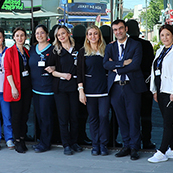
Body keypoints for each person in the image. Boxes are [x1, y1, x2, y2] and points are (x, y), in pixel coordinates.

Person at [104, 19, 145, 161]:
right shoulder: (110, 47)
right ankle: (126, 145)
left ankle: (134, 147)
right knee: (121, 118)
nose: (118, 32)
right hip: (115, 87)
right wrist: (122, 63)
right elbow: (105, 64)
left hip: (131, 86)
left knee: (133, 117)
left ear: (126, 29)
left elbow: (135, 65)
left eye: (120, 28)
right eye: (115, 30)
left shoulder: (136, 45)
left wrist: (116, 68)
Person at [147, 25, 173, 163]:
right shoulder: (160, 51)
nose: (165, 38)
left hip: (172, 93)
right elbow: (154, 71)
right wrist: (154, 90)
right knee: (169, 122)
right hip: (161, 91)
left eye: (167, 35)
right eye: (162, 35)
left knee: (167, 123)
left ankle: (162, 151)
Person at [46, 25, 81, 155]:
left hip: (75, 88)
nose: (61, 36)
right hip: (61, 88)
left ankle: (74, 142)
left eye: (63, 33)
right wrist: (63, 75)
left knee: (74, 116)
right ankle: (66, 144)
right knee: (63, 117)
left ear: (68, 34)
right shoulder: (55, 51)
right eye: (58, 35)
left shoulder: (78, 49)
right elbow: (50, 69)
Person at [77, 25, 109, 156]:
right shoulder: (83, 51)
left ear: (99, 35)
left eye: (95, 33)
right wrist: (81, 91)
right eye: (90, 34)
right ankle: (95, 145)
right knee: (93, 118)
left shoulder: (106, 50)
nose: (93, 36)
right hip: (89, 91)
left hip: (104, 90)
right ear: (87, 37)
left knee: (104, 117)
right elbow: (79, 72)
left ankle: (104, 144)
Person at [128, 19, 156, 149]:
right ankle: (146, 140)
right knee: (146, 114)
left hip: (129, 83)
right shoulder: (146, 44)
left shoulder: (126, 44)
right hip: (145, 82)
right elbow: (151, 64)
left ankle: (132, 140)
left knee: (130, 114)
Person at [4, 27, 32, 154]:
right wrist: (13, 87)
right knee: (16, 115)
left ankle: (22, 138)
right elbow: (8, 71)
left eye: (22, 35)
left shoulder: (26, 51)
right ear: (14, 37)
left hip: (27, 87)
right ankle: (17, 141)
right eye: (17, 35)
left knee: (25, 114)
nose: (20, 38)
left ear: (25, 37)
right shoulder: (9, 52)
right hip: (16, 87)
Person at [29, 24, 55, 153]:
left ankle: (45, 143)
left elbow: (60, 64)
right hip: (35, 89)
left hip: (48, 89)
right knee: (39, 117)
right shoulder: (32, 50)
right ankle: (41, 141)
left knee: (46, 118)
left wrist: (54, 68)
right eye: (37, 33)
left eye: (42, 33)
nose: (39, 35)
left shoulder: (53, 49)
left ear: (47, 34)